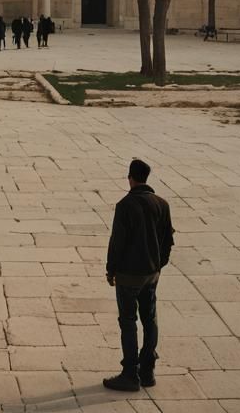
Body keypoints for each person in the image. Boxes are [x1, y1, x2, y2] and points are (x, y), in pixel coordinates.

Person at [104, 158, 174, 392]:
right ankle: (147, 370)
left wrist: (111, 269)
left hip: (128, 275)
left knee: (128, 321)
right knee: (150, 319)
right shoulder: (162, 204)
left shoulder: (125, 205)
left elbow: (117, 243)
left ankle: (129, 373)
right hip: (151, 273)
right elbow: (168, 241)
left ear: (130, 178)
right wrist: (158, 265)